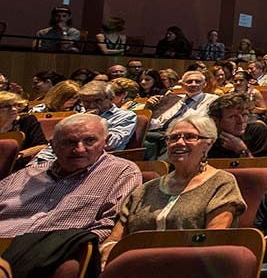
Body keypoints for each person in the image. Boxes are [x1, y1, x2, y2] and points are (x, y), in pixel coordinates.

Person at [100, 112, 245, 265]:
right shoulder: (145, 190)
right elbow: (114, 240)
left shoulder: (221, 183)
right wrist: (107, 256)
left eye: (190, 137)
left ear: (208, 143)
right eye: (173, 138)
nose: (179, 143)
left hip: (188, 271)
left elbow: (211, 242)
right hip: (131, 269)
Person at [0, 114, 140, 238]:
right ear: (53, 145)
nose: (79, 149)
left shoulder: (122, 173)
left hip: (53, 254)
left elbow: (108, 226)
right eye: (69, 142)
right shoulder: (27, 174)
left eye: (90, 141)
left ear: (106, 141)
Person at [76, 80, 137, 151]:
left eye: (97, 101)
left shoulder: (126, 116)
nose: (92, 105)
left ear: (111, 98)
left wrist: (91, 122)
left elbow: (111, 143)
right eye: (86, 102)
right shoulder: (80, 116)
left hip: (107, 157)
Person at [207, 92, 267, 159]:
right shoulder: (206, 136)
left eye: (244, 115)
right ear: (216, 120)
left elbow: (260, 168)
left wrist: (242, 150)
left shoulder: (257, 131)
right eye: (233, 117)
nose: (241, 121)